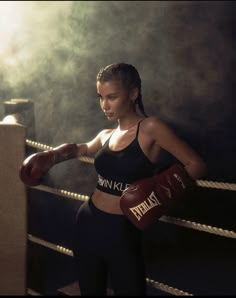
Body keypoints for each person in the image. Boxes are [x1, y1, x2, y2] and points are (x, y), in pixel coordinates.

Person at [19, 62, 207, 296]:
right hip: (87, 222)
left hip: (122, 230)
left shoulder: (151, 128)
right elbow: (82, 148)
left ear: (133, 94)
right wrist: (53, 155)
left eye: (112, 97)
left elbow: (196, 165)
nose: (104, 105)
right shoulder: (107, 134)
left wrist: (160, 191)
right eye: (100, 97)